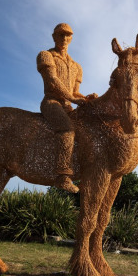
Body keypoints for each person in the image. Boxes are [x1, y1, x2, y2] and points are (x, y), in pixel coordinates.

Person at [36, 23, 95, 193]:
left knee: (86, 131)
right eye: (60, 35)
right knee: (67, 130)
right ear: (54, 37)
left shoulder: (77, 66)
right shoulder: (46, 56)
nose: (64, 38)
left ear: (71, 38)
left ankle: (84, 172)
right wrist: (71, 98)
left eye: (67, 35)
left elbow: (75, 92)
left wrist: (86, 98)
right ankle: (62, 176)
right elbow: (52, 81)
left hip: (69, 106)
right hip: (52, 102)